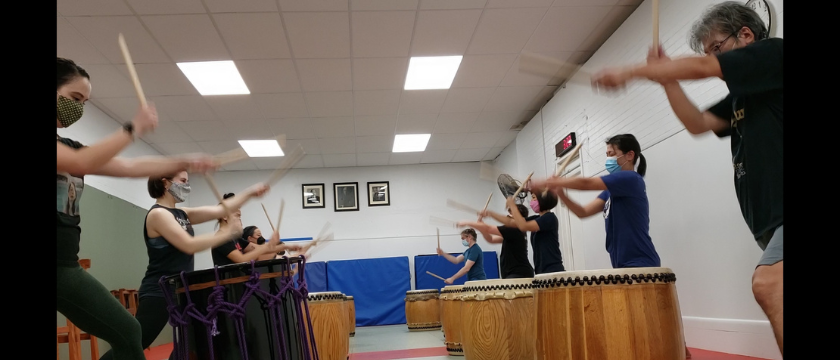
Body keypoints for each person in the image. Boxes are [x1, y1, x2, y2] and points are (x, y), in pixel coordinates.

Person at [590, 2, 782, 355]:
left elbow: (705, 68)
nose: (714, 58)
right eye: (710, 52)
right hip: (769, 223)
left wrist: (632, 72)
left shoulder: (774, 53)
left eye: (717, 48)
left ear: (746, 35)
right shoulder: (746, 95)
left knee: (770, 284)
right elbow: (697, 123)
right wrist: (667, 79)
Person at [56, 56, 217, 360]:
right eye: (75, 98)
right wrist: (133, 128)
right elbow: (81, 163)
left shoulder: (69, 146)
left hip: (63, 266)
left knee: (128, 332)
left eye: (84, 103)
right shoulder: (73, 155)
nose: (78, 108)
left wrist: (182, 161)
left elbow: (128, 166)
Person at [98, 172, 270, 360]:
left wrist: (250, 192)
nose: (187, 186)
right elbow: (189, 245)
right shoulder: (157, 214)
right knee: (137, 343)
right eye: (183, 181)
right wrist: (227, 234)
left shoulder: (183, 213)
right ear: (165, 183)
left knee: (192, 341)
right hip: (160, 289)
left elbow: (221, 210)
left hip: (183, 290)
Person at [531, 135, 661, 268]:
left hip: (640, 262)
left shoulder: (631, 178)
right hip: (622, 263)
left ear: (630, 155)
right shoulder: (610, 192)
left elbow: (586, 183)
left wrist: (551, 181)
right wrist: (561, 194)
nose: (608, 159)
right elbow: (583, 212)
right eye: (607, 155)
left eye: (612, 154)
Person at [485, 191, 564, 275]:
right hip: (541, 270)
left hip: (553, 269)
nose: (531, 201)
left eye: (534, 198)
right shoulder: (537, 218)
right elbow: (512, 222)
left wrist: (512, 205)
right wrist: (491, 214)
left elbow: (523, 226)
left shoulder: (549, 218)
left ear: (542, 200)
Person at [458, 204, 534, 279]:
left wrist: (468, 222)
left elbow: (488, 228)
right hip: (514, 273)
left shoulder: (514, 228)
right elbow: (491, 239)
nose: (508, 216)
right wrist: (481, 226)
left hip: (519, 273)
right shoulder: (513, 232)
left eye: (511, 213)